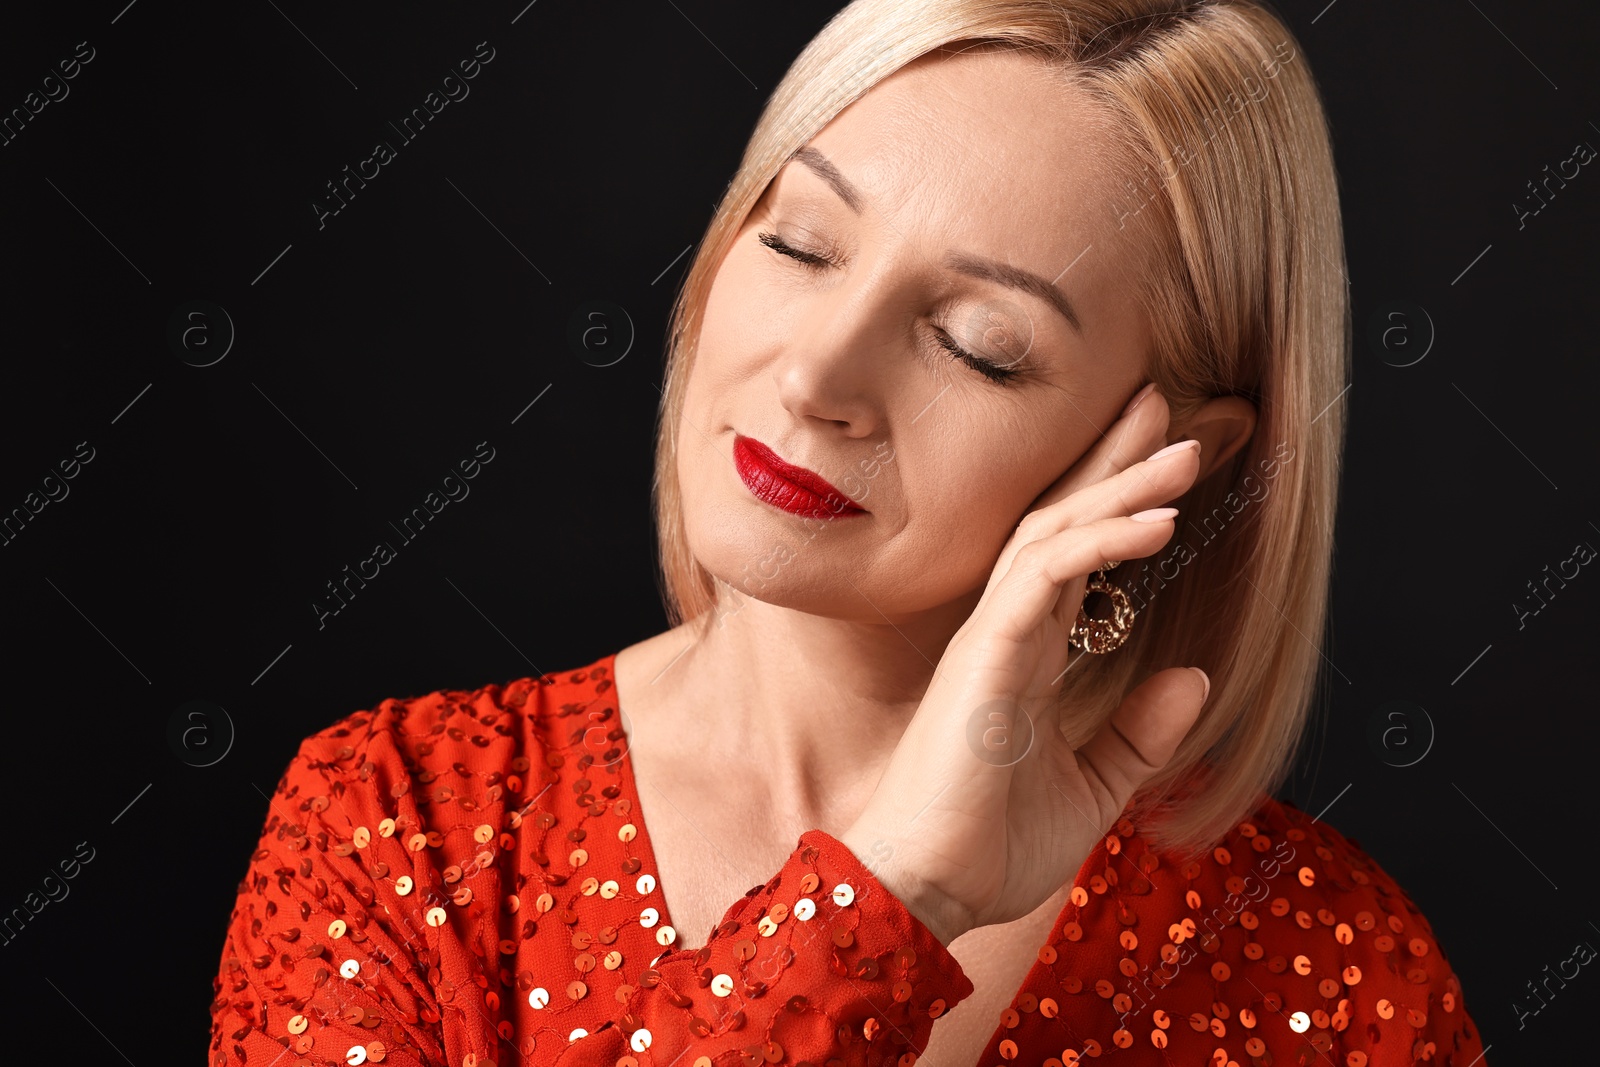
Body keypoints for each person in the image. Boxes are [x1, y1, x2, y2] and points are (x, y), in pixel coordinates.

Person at [208, 1, 1488, 1064]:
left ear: (1171, 459)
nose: (817, 371)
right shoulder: (397, 823)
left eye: (976, 347)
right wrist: (889, 896)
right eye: (802, 243)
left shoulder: (1327, 964)